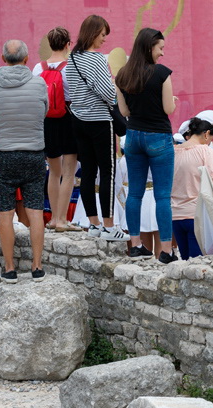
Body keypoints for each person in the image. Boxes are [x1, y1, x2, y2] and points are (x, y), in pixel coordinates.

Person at [0, 39, 49, 282]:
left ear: (2, 59)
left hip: (3, 154)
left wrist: (1, 125)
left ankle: (9, 269)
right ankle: (37, 267)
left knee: (5, 213)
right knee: (35, 211)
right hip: (33, 153)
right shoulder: (39, 83)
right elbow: (43, 113)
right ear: (26, 58)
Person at [115, 28, 177, 263]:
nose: (162, 53)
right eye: (160, 48)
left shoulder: (122, 75)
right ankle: (166, 251)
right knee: (162, 196)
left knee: (135, 193)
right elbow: (168, 109)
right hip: (158, 137)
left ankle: (136, 246)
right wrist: (172, 102)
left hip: (133, 137)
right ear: (149, 47)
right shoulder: (162, 73)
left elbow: (124, 111)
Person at [64, 17, 123, 240]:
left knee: (88, 172)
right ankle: (109, 226)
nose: (104, 39)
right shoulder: (97, 59)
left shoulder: (72, 59)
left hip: (78, 120)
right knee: (108, 172)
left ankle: (94, 224)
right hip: (99, 120)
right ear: (93, 33)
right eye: (102, 34)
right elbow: (109, 93)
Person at [34, 26, 82, 234]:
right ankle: (62, 219)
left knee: (54, 172)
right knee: (69, 172)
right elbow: (76, 96)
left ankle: (53, 217)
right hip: (68, 119)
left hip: (46, 122)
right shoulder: (70, 66)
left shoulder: (38, 67)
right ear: (67, 44)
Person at [171, 117, 213, 260]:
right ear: (206, 134)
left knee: (185, 260)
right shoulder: (205, 151)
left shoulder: (174, 151)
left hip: (175, 215)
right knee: (197, 264)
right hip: (197, 214)